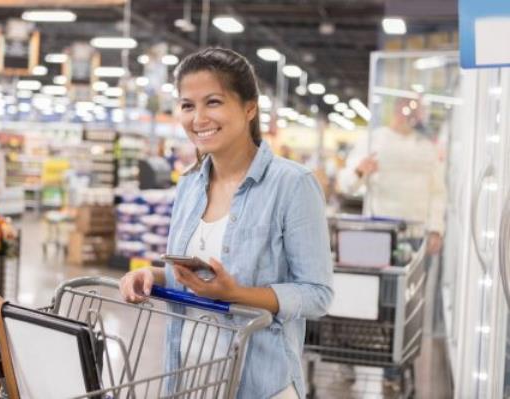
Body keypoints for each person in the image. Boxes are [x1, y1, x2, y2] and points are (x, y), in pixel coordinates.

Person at [119, 48, 333, 399]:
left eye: (213, 102)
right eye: (188, 105)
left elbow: (317, 294)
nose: (198, 117)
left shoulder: (292, 184)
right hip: (190, 375)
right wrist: (153, 276)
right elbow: (199, 274)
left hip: (260, 383)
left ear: (250, 108)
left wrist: (235, 295)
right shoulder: (189, 184)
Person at [337, 97, 446, 389]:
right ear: (393, 109)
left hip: (414, 235)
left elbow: (438, 191)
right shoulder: (373, 140)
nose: (408, 113)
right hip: (376, 232)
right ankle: (354, 355)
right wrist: (361, 170)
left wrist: (436, 228)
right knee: (370, 300)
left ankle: (393, 366)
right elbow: (345, 183)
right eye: (404, 107)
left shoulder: (426, 148)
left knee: (406, 305)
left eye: (415, 108)